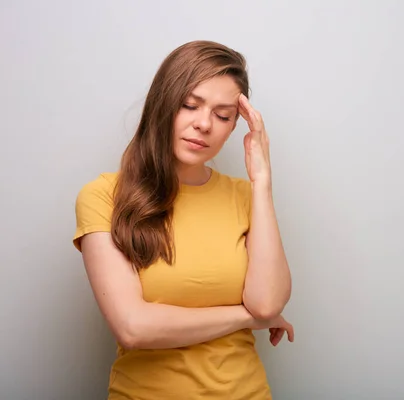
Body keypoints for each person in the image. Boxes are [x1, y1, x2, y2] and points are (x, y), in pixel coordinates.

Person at [72, 40, 293, 399]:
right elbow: (133, 327)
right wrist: (246, 318)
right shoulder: (103, 197)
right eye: (190, 105)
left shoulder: (245, 196)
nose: (204, 124)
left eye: (223, 116)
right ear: (162, 103)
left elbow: (268, 304)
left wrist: (263, 181)